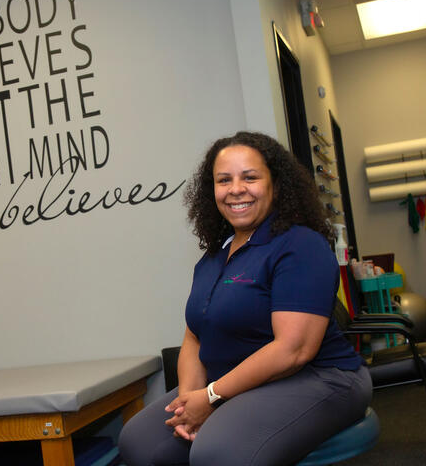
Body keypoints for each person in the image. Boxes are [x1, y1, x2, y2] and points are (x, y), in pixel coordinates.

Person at [118, 131, 371, 466]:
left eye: (250, 177)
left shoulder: (300, 245)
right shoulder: (212, 258)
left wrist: (212, 396)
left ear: (276, 184)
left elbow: (293, 350)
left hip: (319, 377)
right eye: (224, 180)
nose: (236, 189)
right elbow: (195, 336)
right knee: (138, 441)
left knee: (216, 452)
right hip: (229, 382)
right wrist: (189, 400)